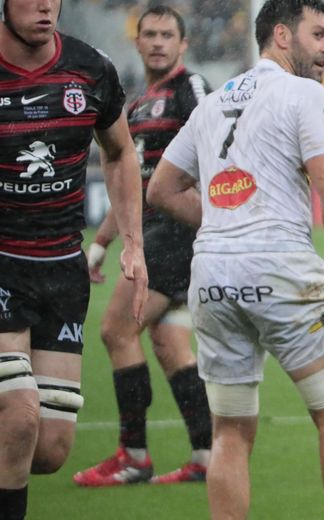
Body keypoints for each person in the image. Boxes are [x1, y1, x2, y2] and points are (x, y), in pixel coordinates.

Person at [145, 1, 324, 518]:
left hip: (213, 277)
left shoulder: (215, 99)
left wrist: (226, 224)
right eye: (321, 34)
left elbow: (160, 188)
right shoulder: (303, 93)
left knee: (230, 431)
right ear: (283, 36)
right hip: (282, 269)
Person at [0, 0, 148, 518]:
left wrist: (132, 242)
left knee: (48, 449)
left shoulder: (91, 70)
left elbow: (120, 151)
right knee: (17, 416)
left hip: (63, 271)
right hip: (3, 262)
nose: (44, 5)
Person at [71, 5, 212, 488]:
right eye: (149, 34)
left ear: (183, 44)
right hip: (152, 233)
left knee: (116, 331)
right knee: (170, 343)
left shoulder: (189, 88)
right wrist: (103, 243)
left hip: (178, 234)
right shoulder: (134, 105)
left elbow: (217, 150)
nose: (157, 42)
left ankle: (134, 455)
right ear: (137, 42)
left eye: (167, 34)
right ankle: (206, 456)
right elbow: (132, 183)